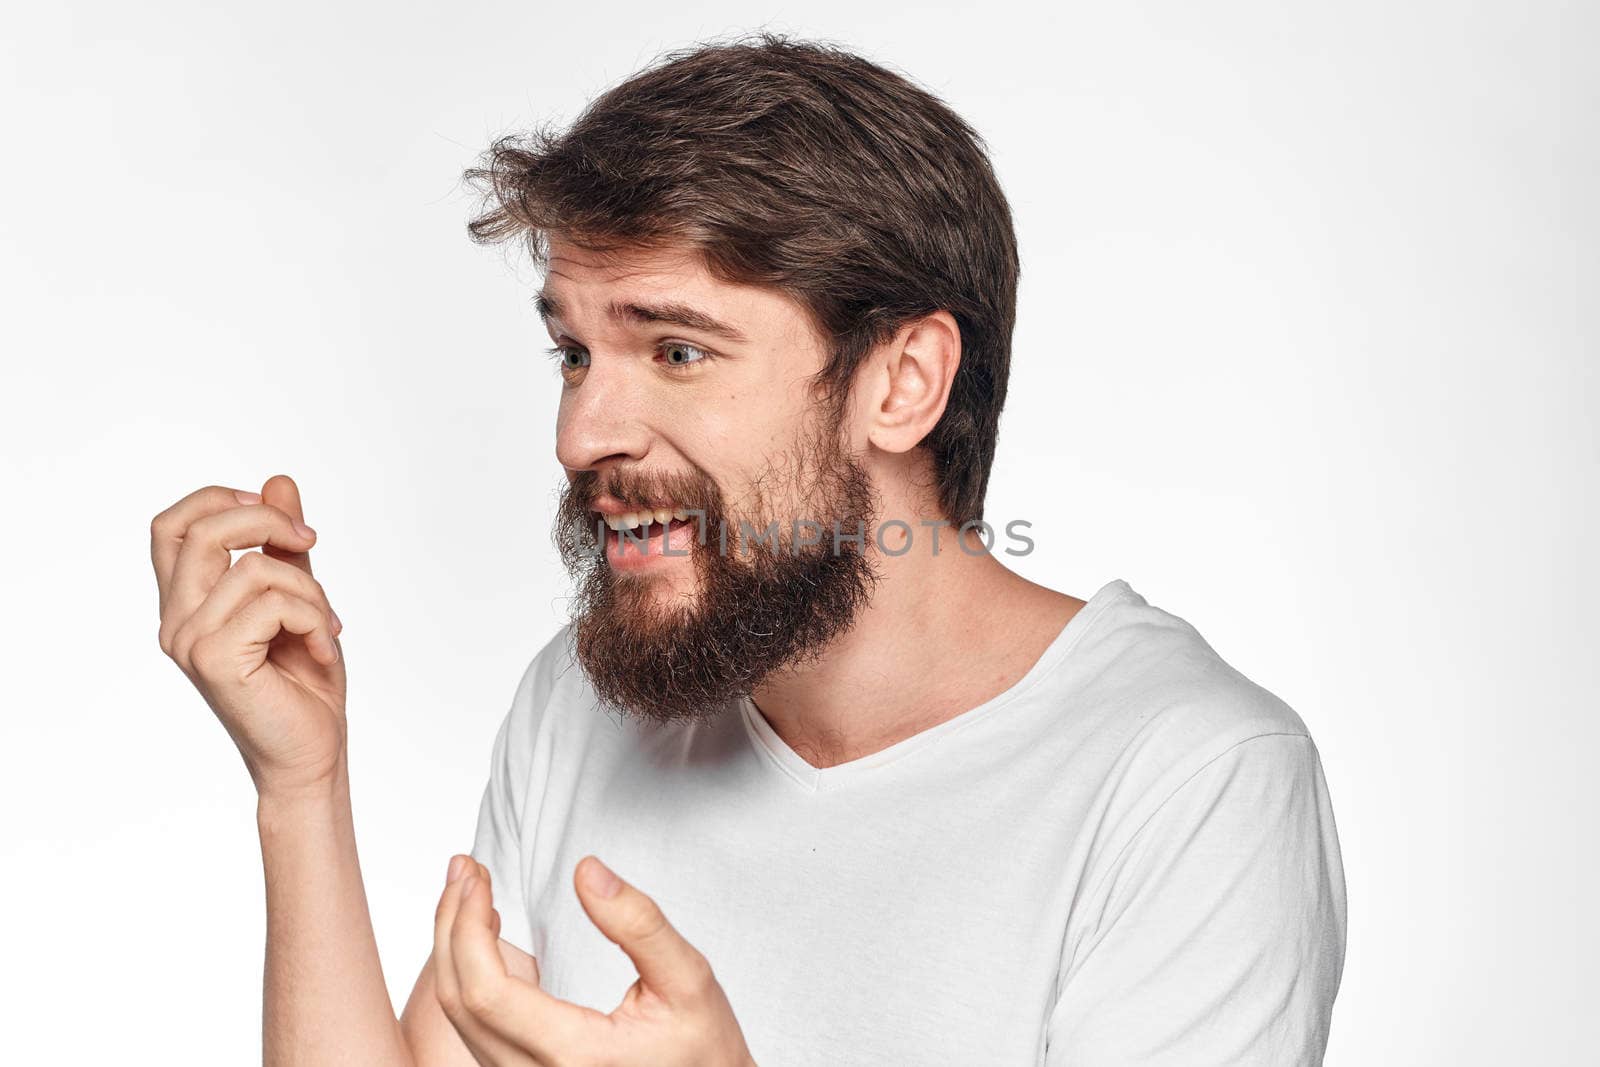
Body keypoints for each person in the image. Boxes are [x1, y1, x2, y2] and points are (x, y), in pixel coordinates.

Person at [150, 32, 1345, 1067]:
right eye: (574, 353)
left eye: (675, 350)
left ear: (901, 379)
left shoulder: (1189, 778)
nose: (581, 435)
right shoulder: (580, 702)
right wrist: (299, 790)